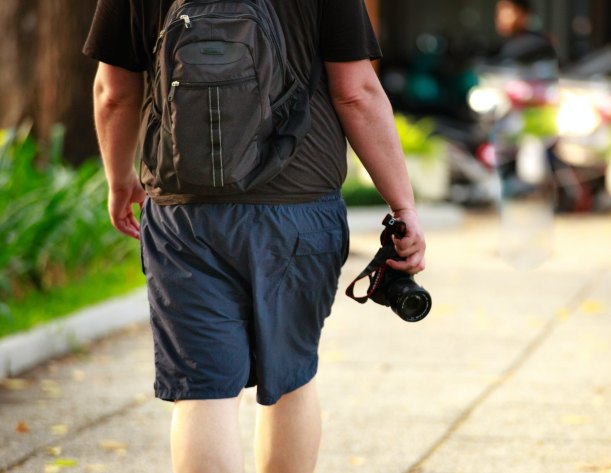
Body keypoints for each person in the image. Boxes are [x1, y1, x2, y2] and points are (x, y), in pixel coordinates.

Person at [83, 1, 426, 472]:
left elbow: (113, 92)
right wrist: (402, 205)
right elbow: (357, 93)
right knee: (291, 374)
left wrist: (120, 178)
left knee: (203, 388)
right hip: (298, 211)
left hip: (185, 214)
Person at [493, 0, 557, 66]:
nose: (500, 18)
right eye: (498, 13)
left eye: (506, 13)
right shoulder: (507, 46)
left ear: (523, 13)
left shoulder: (532, 46)